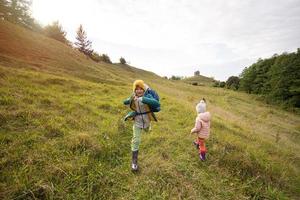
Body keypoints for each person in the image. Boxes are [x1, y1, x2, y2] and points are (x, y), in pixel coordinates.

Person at [123, 80, 160, 171]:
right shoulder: (133, 97)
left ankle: (148, 128)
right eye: (136, 89)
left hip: (147, 121)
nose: (139, 91)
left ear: (144, 90)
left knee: (147, 130)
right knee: (136, 140)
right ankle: (134, 162)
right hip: (137, 122)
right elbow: (125, 102)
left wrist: (143, 99)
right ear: (134, 90)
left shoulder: (148, 96)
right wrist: (130, 99)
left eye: (141, 89)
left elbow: (157, 103)